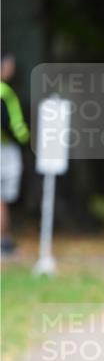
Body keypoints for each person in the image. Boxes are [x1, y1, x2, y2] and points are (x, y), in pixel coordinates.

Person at [1, 54, 30, 255]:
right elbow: (12, 124)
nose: (12, 70)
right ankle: (3, 240)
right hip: (5, 150)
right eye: (9, 66)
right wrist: (26, 138)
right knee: (2, 198)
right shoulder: (4, 92)